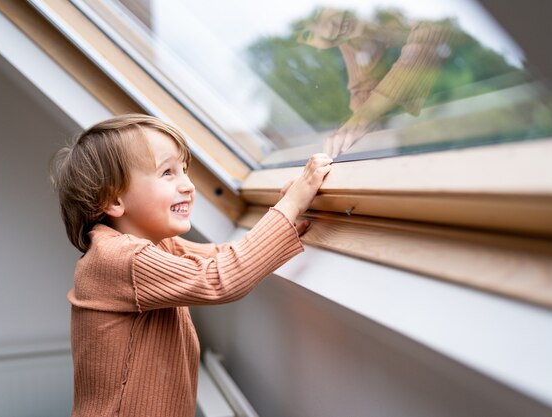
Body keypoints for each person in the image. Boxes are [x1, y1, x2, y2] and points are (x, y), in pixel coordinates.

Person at [49, 113, 332, 417]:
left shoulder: (158, 245)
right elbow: (220, 279)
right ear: (113, 199)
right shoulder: (119, 257)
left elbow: (225, 256)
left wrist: (290, 216)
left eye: (184, 170)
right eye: (167, 173)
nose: (188, 185)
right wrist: (289, 206)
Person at [297, 8, 455, 157]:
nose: (328, 32)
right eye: (308, 35)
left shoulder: (408, 10)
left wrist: (364, 117)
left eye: (316, 14)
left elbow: (432, 35)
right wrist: (351, 128)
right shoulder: (350, 38)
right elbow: (363, 89)